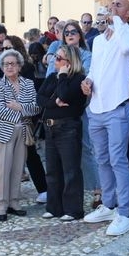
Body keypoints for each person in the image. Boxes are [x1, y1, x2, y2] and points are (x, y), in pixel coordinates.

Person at [82, 0, 129, 236]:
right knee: (102, 159)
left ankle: (124, 213)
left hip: (118, 106)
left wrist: (116, 22)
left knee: (118, 159)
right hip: (96, 107)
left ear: (128, 13)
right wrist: (88, 81)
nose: (112, 8)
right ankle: (108, 204)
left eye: (118, 6)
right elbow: (95, 69)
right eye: (111, 5)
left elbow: (126, 48)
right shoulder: (98, 40)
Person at [0, 48, 40, 221]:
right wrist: (23, 112)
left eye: (12, 63)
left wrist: (19, 107)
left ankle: (14, 202)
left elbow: (36, 107)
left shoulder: (28, 84)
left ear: (19, 66)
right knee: (2, 170)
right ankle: (1, 206)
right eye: (5, 64)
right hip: (2, 132)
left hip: (23, 131)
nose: (9, 67)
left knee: (18, 168)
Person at [37, 43, 86, 221]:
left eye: (58, 58)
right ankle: (54, 207)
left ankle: (73, 210)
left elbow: (64, 95)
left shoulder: (78, 79)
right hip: (49, 127)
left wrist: (63, 76)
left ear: (69, 62)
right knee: (52, 170)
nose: (55, 61)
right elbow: (39, 98)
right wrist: (54, 103)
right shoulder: (52, 77)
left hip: (68, 128)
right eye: (55, 57)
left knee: (70, 171)